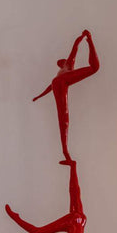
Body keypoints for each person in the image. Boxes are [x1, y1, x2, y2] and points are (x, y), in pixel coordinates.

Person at [33, 30, 99, 162]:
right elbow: (50, 87)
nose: (60, 64)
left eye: (61, 62)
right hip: (59, 83)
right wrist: (39, 96)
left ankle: (66, 152)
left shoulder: (68, 64)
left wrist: (84, 36)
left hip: (60, 83)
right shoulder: (63, 70)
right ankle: (65, 151)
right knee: (62, 114)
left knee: (63, 115)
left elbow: (75, 48)